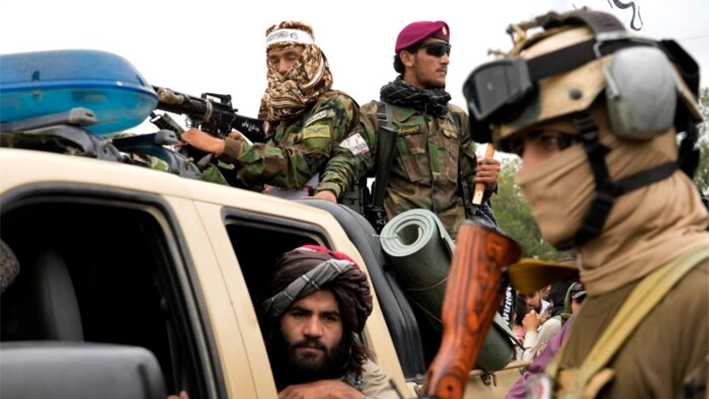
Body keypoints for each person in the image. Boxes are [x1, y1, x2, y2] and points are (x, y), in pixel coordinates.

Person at [466, 8, 708, 398]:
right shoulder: (605, 303)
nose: (526, 175)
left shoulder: (695, 305)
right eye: (520, 150)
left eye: (551, 142)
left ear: (633, 133)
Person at [313, 20, 500, 239]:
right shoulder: (378, 115)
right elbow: (348, 158)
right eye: (436, 50)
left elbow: (474, 191)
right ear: (407, 58)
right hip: (401, 249)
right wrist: (328, 191)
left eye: (447, 51)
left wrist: (488, 182)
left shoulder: (457, 119)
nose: (446, 59)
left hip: (455, 248)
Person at [170, 245, 399, 399]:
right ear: (278, 317)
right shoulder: (237, 362)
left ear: (345, 329)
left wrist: (342, 393)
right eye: (299, 314)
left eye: (329, 318)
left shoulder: (360, 374)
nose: (312, 330)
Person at [181, 21, 368, 198]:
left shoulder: (334, 104)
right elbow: (259, 181)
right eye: (274, 60)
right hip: (277, 215)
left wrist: (227, 148)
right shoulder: (274, 110)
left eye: (291, 57)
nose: (282, 68)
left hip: (325, 220)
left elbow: (300, 167)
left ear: (310, 57)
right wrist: (219, 154)